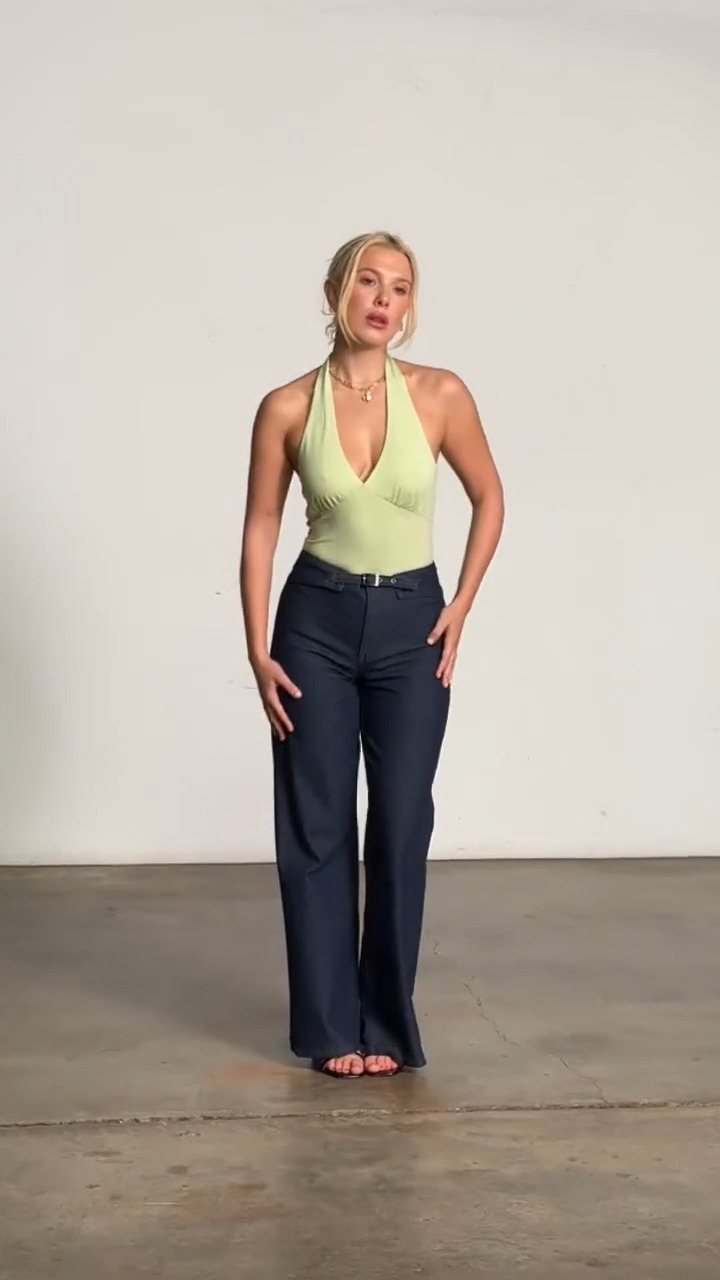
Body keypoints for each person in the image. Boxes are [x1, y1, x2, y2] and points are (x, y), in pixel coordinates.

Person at [240, 231, 504, 1079]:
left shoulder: (440, 394)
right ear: (335, 293)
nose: (384, 300)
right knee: (315, 827)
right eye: (367, 282)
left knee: (399, 821)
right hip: (312, 623)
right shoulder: (287, 406)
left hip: (411, 625)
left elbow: (490, 496)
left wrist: (461, 603)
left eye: (400, 286)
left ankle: (386, 1023)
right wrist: (256, 646)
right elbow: (261, 525)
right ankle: (330, 1029)